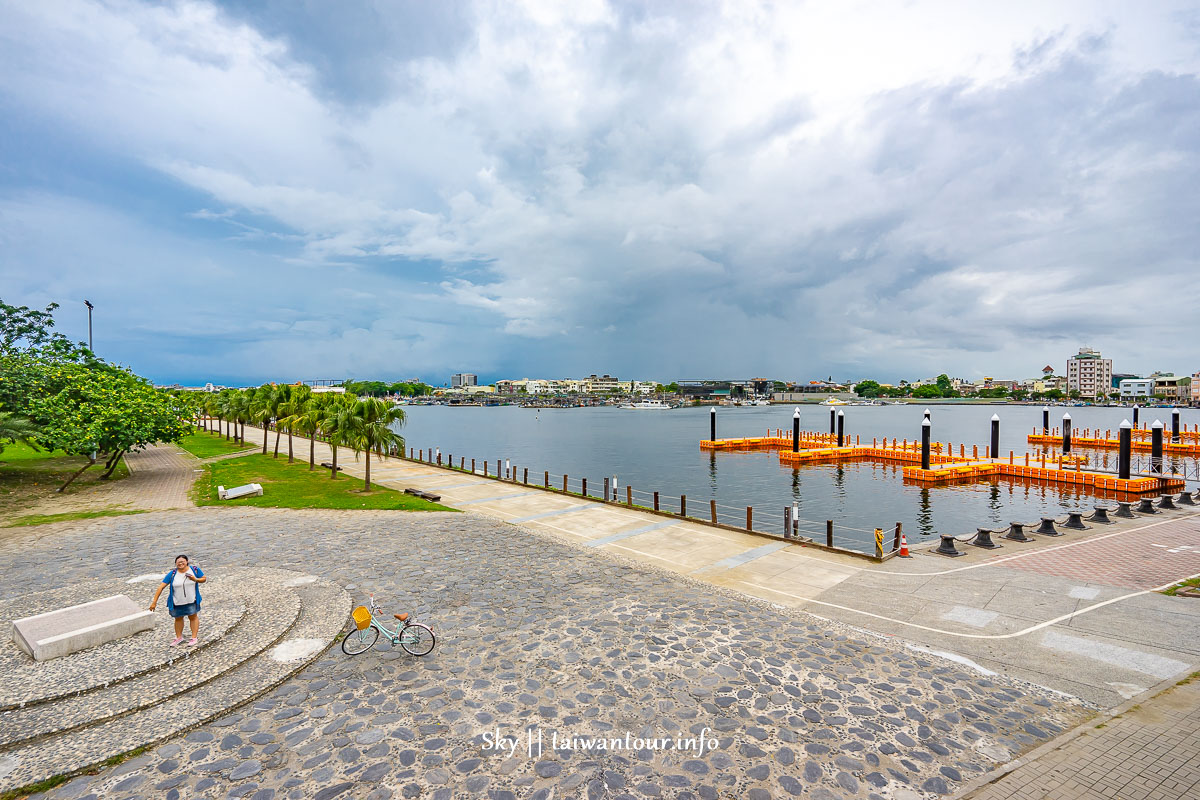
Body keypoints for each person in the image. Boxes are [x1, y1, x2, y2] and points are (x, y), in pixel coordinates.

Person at [149, 555, 206, 646]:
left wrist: (195, 579)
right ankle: (179, 637)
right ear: (175, 564)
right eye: (178, 562)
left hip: (191, 600)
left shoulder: (194, 570)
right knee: (178, 619)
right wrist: (154, 602)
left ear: (187, 561)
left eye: (182, 561)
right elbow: (161, 587)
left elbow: (203, 579)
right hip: (177, 601)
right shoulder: (172, 574)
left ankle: (194, 637)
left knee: (193, 617)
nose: (180, 563)